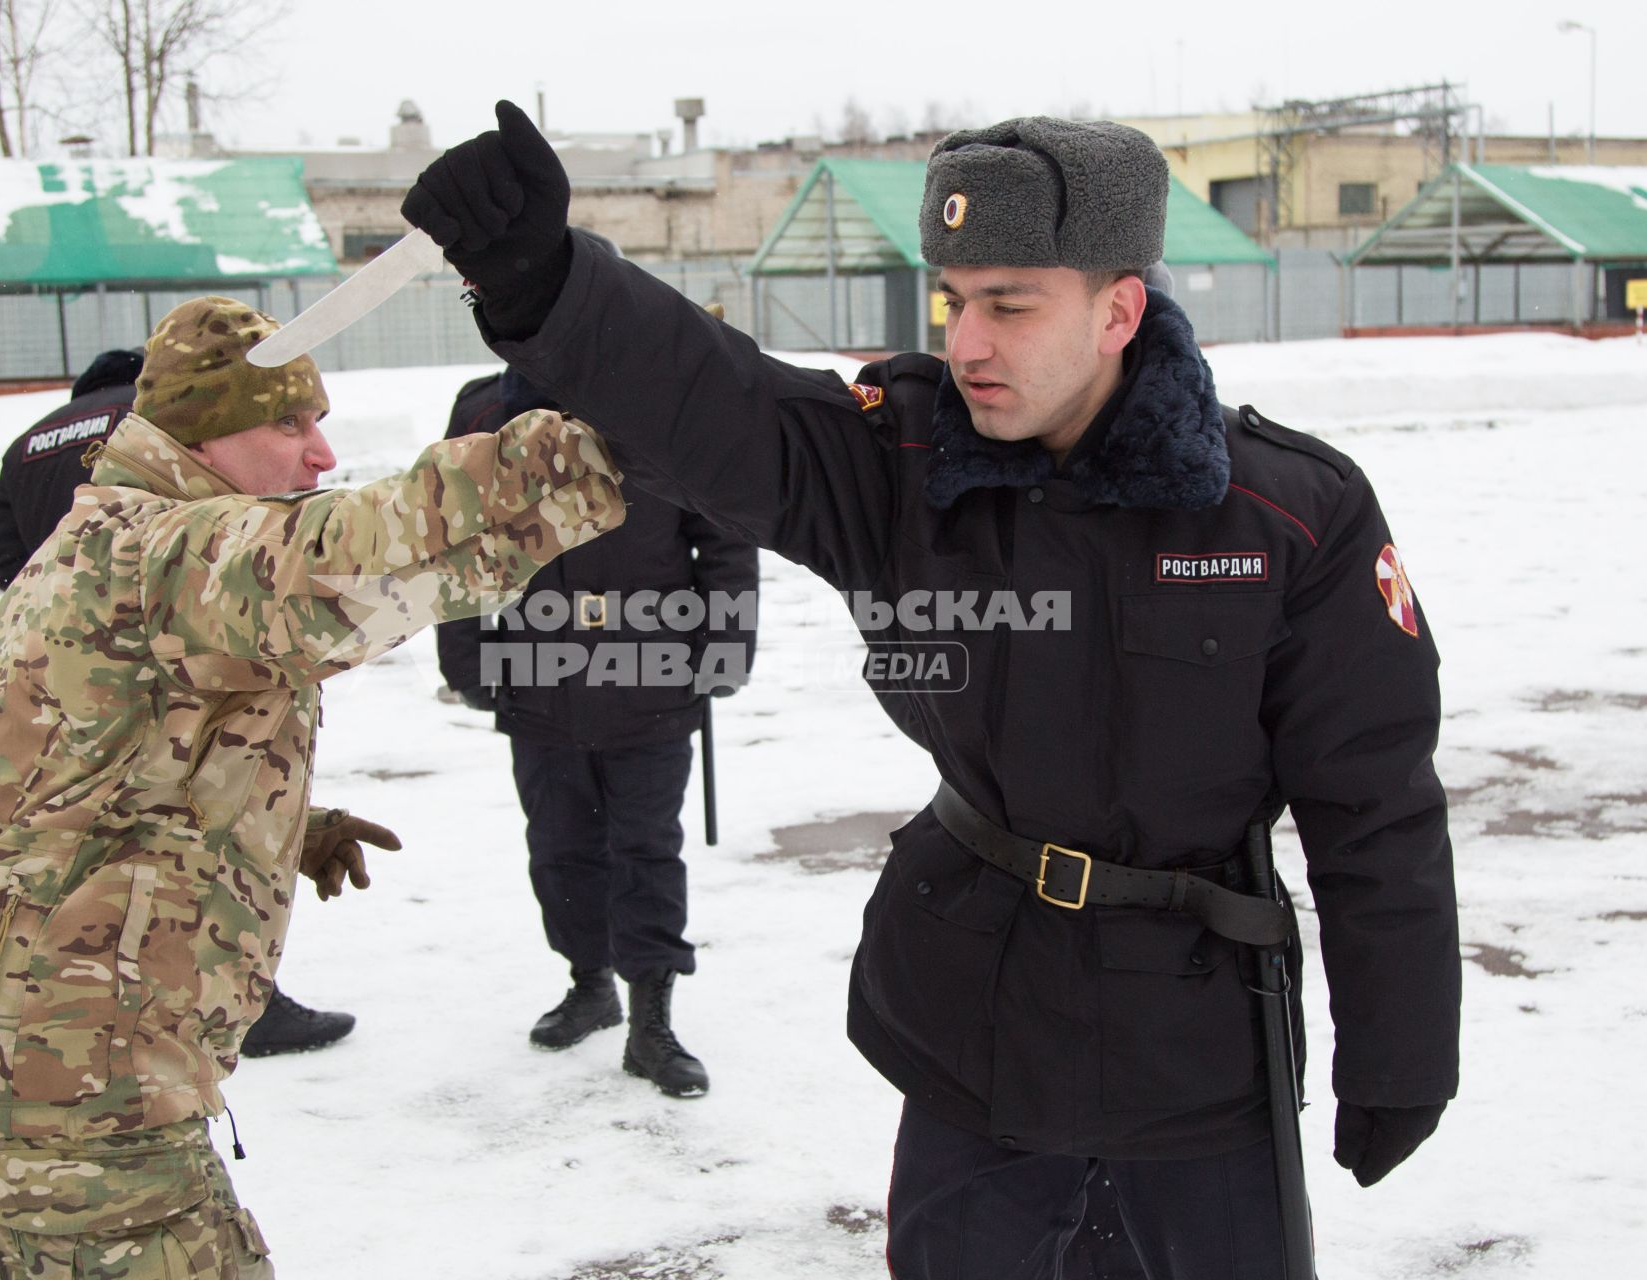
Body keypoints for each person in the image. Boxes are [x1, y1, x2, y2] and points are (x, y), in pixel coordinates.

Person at [401, 105, 1460, 1276]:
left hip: (1198, 1061)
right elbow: (724, 406)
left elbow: (1375, 806)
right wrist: (547, 282)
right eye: (954, 298)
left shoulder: (1285, 515)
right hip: (976, 1032)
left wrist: (1398, 1053)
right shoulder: (905, 467)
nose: (966, 342)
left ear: (1120, 309)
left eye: (1010, 303)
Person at [0, 294, 624, 1278]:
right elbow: (363, 555)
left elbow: (72, 781)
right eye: (289, 423)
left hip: (44, 1078)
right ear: (200, 433)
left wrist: (281, 824)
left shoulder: (113, 546)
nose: (320, 454)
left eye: (320, 420)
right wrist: (612, 436)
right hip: (70, 1102)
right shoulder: (162, 554)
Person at [0, 345, 361, 1059]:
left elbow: (1, 554)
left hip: (69, 662)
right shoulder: (162, 426)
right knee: (193, 820)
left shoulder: (30, 440)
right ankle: (238, 1003)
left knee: (103, 819)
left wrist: (72, 604)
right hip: (196, 637)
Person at [435, 350, 758, 1098]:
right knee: (559, 846)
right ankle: (590, 984)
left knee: (646, 846)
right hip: (537, 676)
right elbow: (452, 538)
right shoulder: (486, 409)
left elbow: (725, 535)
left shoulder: (668, 401)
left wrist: (725, 647)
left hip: (653, 665)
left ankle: (653, 1016)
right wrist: (467, 656)